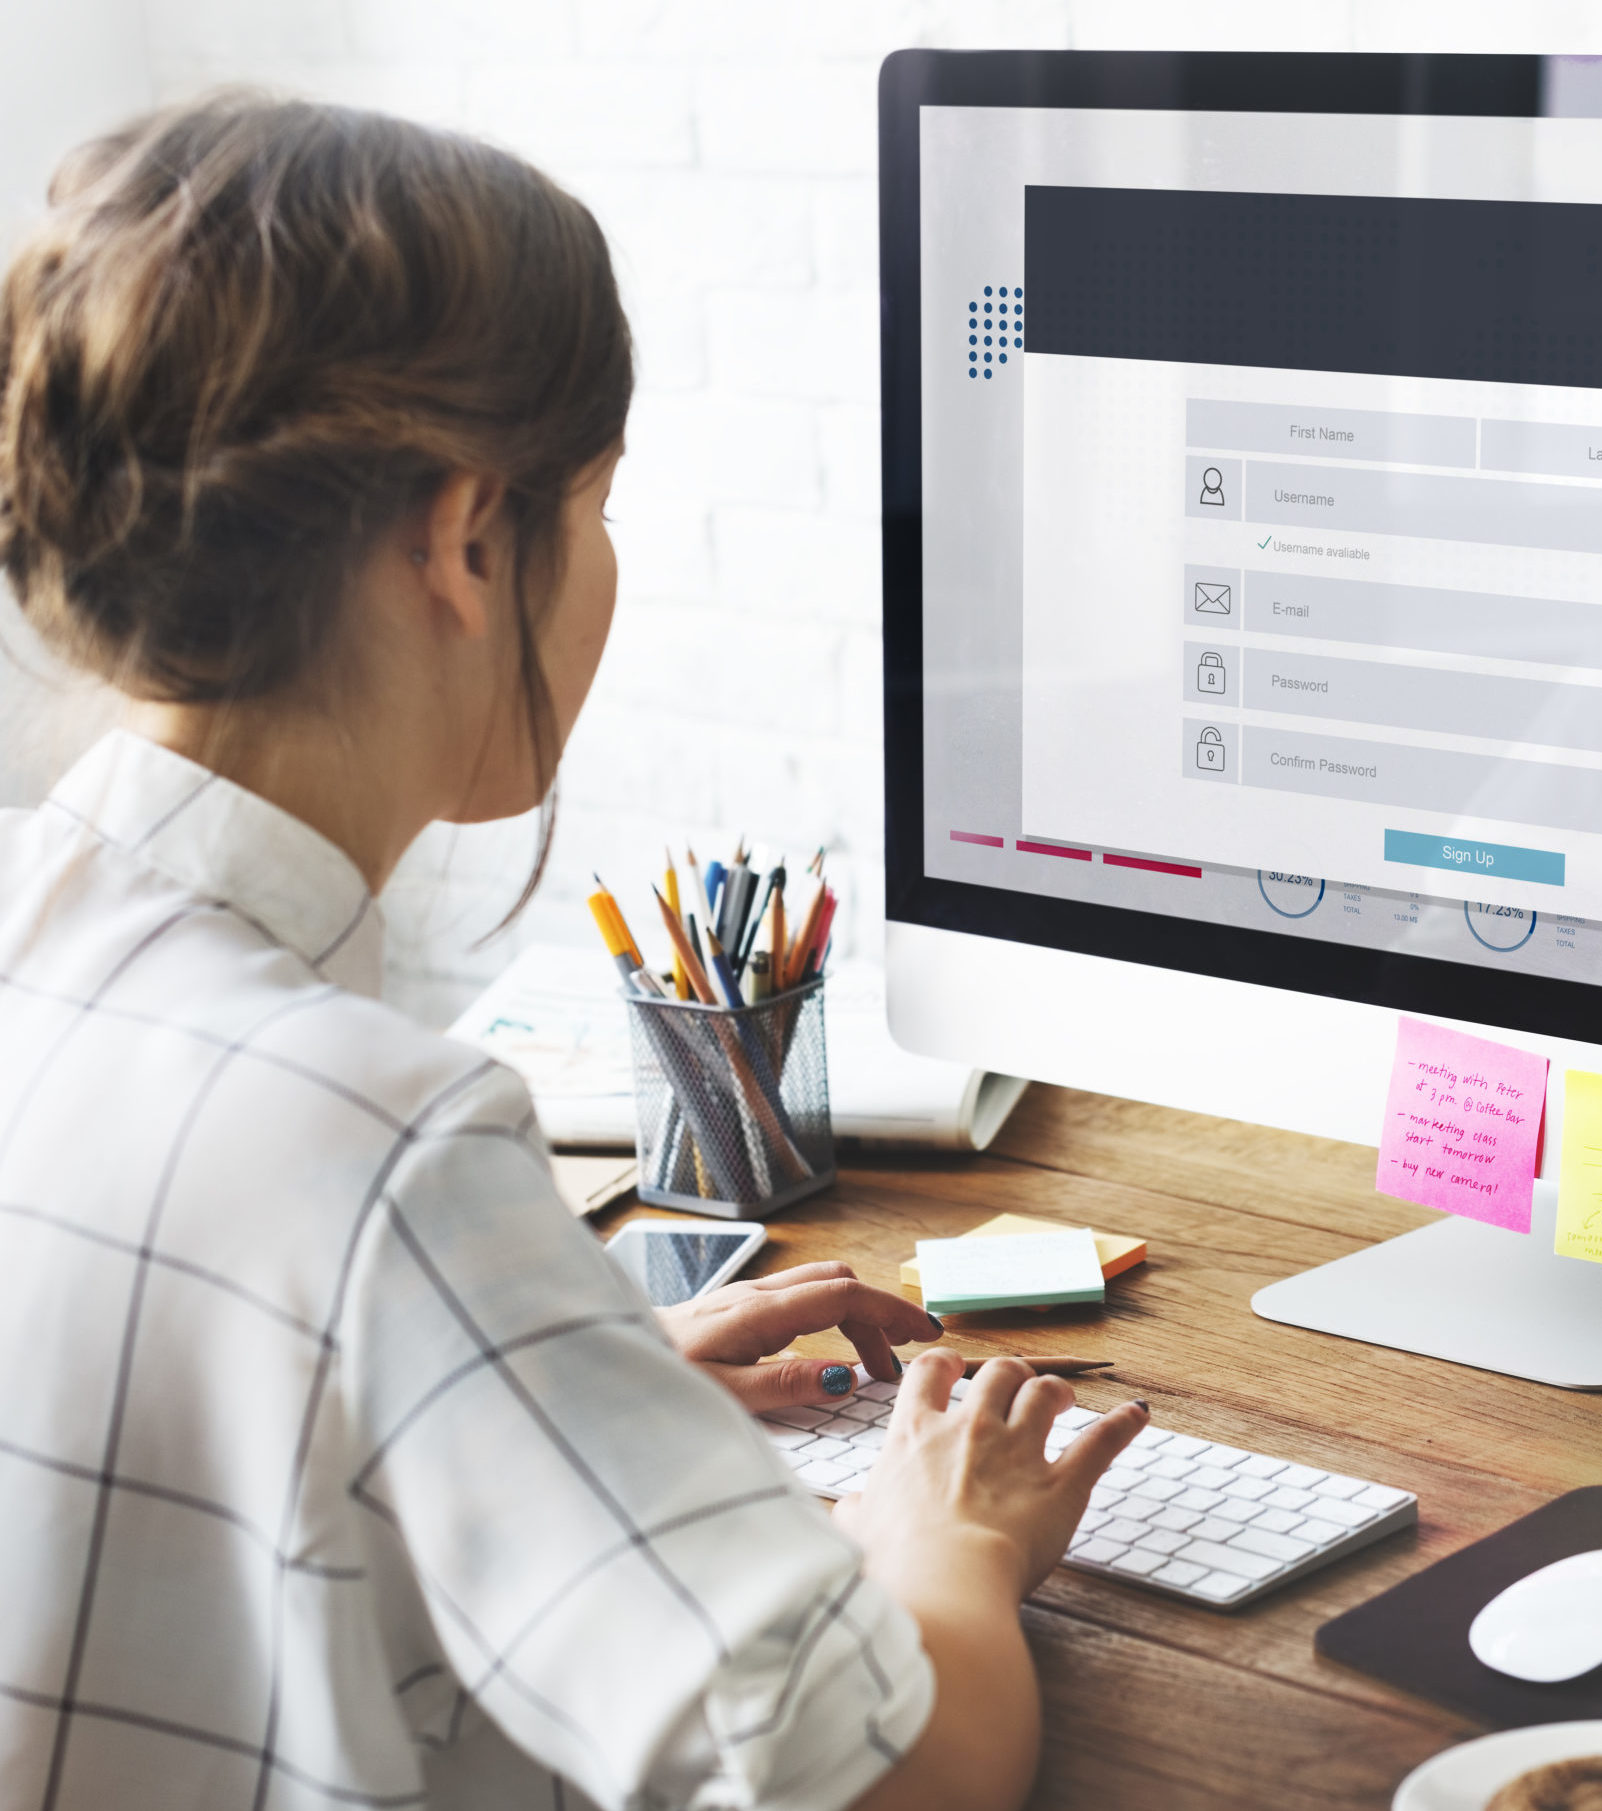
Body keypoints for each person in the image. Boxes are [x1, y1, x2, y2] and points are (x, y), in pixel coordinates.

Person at [0, 95, 1146, 1811]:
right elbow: (894, 1776)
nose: (601, 567)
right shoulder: (378, 1141)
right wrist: (944, 1537)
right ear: (466, 542)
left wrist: (549, 1374)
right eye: (596, 507)